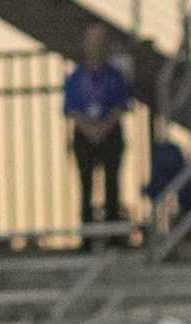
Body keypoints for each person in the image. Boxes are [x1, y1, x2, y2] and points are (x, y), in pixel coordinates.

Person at [64, 23, 133, 237]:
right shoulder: (76, 76)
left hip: (110, 133)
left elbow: (121, 106)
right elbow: (71, 109)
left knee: (112, 184)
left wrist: (103, 128)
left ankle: (114, 234)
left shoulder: (115, 75)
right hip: (84, 135)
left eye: (100, 41)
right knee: (85, 185)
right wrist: (89, 130)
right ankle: (87, 235)